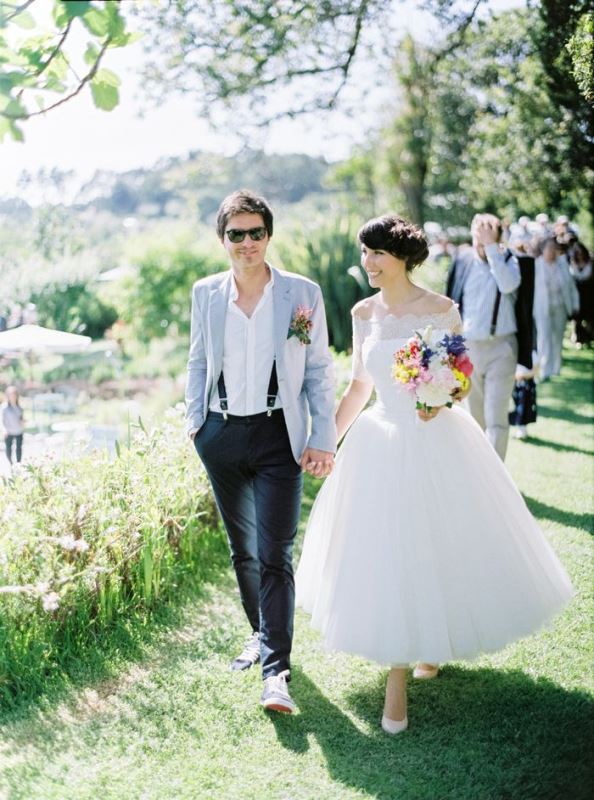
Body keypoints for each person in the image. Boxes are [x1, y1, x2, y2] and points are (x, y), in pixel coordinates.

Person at [296, 214, 573, 735]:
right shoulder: (362, 312)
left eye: (377, 253)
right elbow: (359, 385)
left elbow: (459, 378)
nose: (368, 262)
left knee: (432, 545)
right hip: (379, 441)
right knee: (390, 550)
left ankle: (405, 669)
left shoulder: (441, 309)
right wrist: (325, 439)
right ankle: (404, 662)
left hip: (434, 437)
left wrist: (440, 397)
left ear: (402, 257)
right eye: (364, 252)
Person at [185, 189, 336, 714]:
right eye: (236, 234)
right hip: (220, 434)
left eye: (256, 233)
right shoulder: (205, 293)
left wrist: (323, 436)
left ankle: (277, 672)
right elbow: (198, 362)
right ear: (222, 239)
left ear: (268, 236)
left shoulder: (301, 294)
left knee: (275, 552)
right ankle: (261, 633)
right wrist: (195, 425)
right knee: (242, 549)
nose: (246, 243)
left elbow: (317, 369)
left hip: (279, 434)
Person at [445, 213, 521, 460]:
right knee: (474, 417)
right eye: (477, 238)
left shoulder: (509, 261)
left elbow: (508, 285)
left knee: (495, 416)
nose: (479, 245)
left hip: (502, 348)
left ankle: (497, 477)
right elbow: (452, 302)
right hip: (470, 349)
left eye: (485, 239)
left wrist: (492, 250)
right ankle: (479, 473)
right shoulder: (463, 262)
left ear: (497, 240)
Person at [534, 238, 580, 380]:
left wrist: (575, 305)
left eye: (554, 249)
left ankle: (556, 368)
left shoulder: (562, 265)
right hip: (542, 307)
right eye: (549, 249)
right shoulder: (537, 265)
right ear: (543, 250)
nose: (552, 252)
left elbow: (571, 286)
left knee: (557, 338)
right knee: (544, 337)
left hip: (560, 306)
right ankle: (543, 369)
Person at [568, 241, 594, 348]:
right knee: (577, 319)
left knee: (590, 319)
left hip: (589, 295)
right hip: (577, 295)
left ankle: (590, 337)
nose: (579, 254)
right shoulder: (572, 264)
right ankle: (579, 338)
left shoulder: (591, 263)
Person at [2, 385, 24, 465]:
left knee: (19, 449)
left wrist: (23, 422)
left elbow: (21, 419)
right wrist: (3, 429)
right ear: (7, 395)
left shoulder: (20, 407)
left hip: (19, 431)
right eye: (11, 394)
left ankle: (18, 464)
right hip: (8, 431)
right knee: (8, 449)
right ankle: (11, 463)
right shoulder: (4, 407)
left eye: (14, 394)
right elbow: (1, 420)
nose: (13, 396)